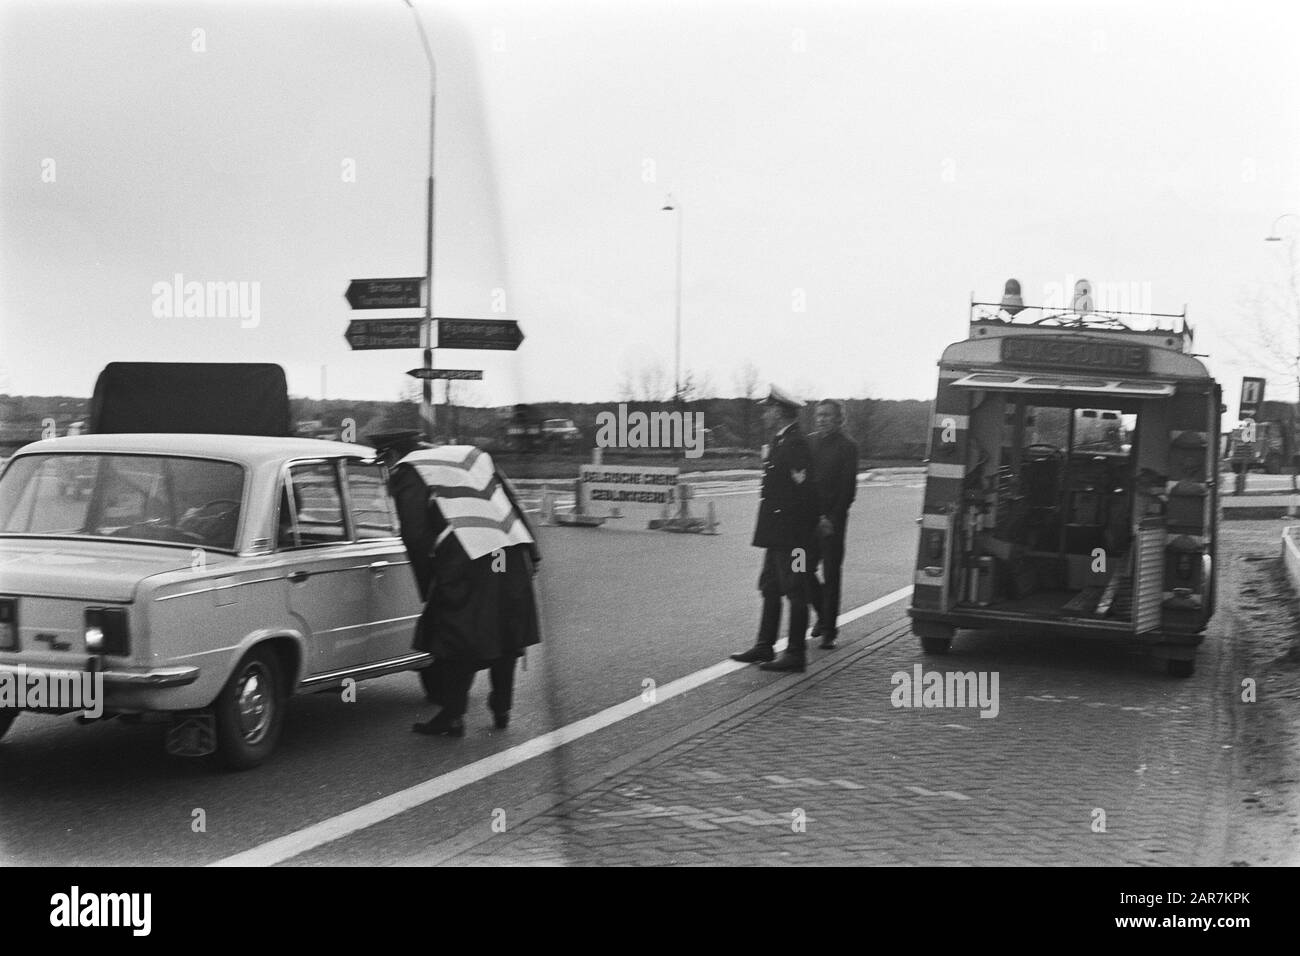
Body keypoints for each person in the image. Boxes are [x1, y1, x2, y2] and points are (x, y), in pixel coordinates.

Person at [395, 445, 542, 738]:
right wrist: (533, 553)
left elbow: (415, 534)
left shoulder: (408, 470)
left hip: (468, 560)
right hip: (511, 551)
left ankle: (452, 715)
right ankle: (502, 709)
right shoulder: (471, 455)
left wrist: (428, 585)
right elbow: (509, 502)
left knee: (456, 636)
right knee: (506, 631)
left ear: (389, 453)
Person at [731, 386, 825, 673]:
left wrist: (799, 535)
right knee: (770, 586)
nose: (764, 413)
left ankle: (796, 653)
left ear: (781, 411)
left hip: (794, 537)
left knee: (795, 590)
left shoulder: (795, 444)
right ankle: (764, 645)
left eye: (768, 409)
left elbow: (805, 492)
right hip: (778, 534)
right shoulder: (780, 440)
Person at [807, 400, 859, 649]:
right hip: (807, 521)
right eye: (819, 415)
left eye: (827, 415)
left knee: (831, 574)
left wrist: (832, 518)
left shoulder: (848, 447)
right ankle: (823, 615)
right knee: (800, 570)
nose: (822, 419)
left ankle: (829, 631)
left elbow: (847, 489)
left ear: (839, 419)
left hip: (832, 522)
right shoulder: (810, 442)